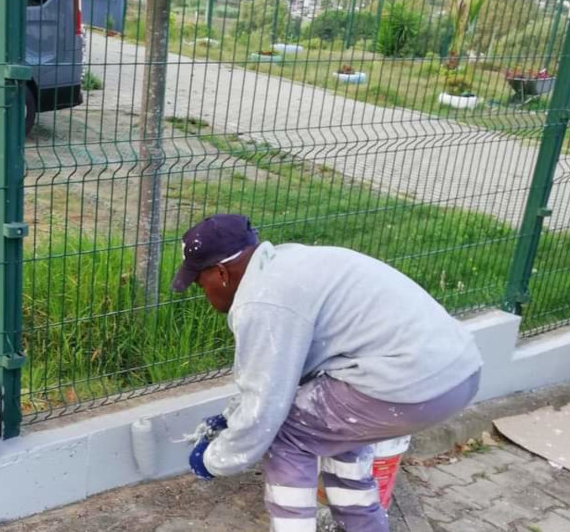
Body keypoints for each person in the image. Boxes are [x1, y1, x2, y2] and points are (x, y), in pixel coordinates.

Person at [172, 214, 482, 532]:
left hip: (410, 383)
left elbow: (265, 411)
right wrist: (230, 416)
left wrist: (215, 459)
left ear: (221, 273)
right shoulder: (287, 265)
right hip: (457, 372)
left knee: (286, 431)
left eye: (200, 282)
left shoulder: (263, 302)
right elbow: (280, 379)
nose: (203, 293)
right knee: (331, 425)